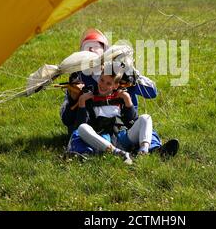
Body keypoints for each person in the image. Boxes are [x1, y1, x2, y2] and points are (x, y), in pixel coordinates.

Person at [61, 29, 179, 157]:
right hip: (98, 133)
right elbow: (68, 120)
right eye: (88, 48)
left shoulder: (123, 76)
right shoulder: (78, 80)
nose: (92, 51)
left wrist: (134, 76)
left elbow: (152, 93)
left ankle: (153, 150)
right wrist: (75, 99)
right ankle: (84, 153)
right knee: (79, 132)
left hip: (122, 132)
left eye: (97, 47)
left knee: (146, 121)